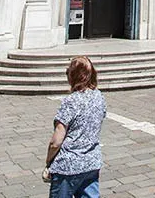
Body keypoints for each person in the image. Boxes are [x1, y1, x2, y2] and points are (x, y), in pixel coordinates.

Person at [43, 56, 107, 198]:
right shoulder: (99, 97)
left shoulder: (70, 101)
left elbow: (56, 142)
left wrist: (48, 161)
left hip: (68, 166)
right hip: (91, 162)